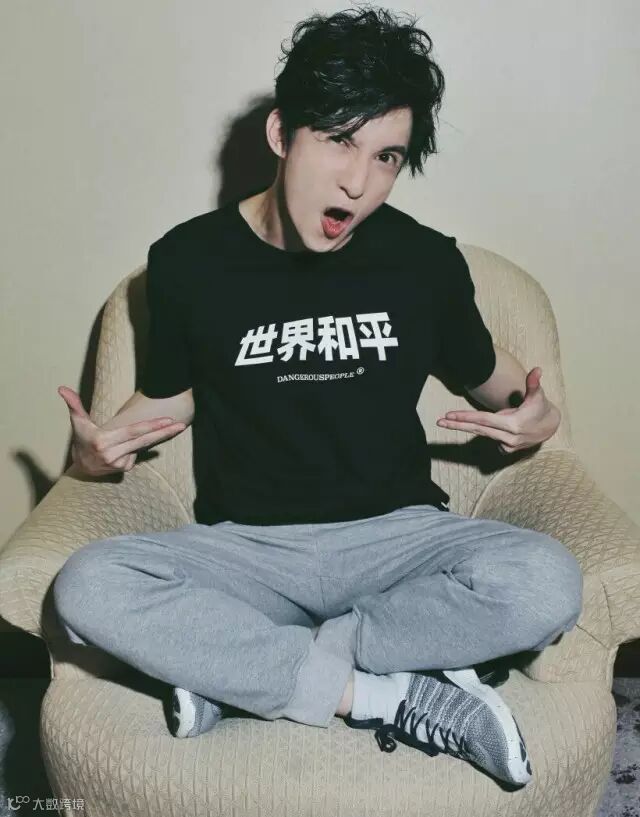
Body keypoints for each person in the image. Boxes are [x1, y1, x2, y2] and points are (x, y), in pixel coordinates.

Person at [53, 5, 583, 789]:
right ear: (282, 133)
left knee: (547, 580)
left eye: (386, 156)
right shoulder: (187, 261)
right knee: (86, 586)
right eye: (339, 140)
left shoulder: (423, 262)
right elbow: (168, 398)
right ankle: (384, 693)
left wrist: (540, 417)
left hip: (395, 543)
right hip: (248, 550)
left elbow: (510, 390)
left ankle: (243, 670)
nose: (358, 182)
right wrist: (94, 454)